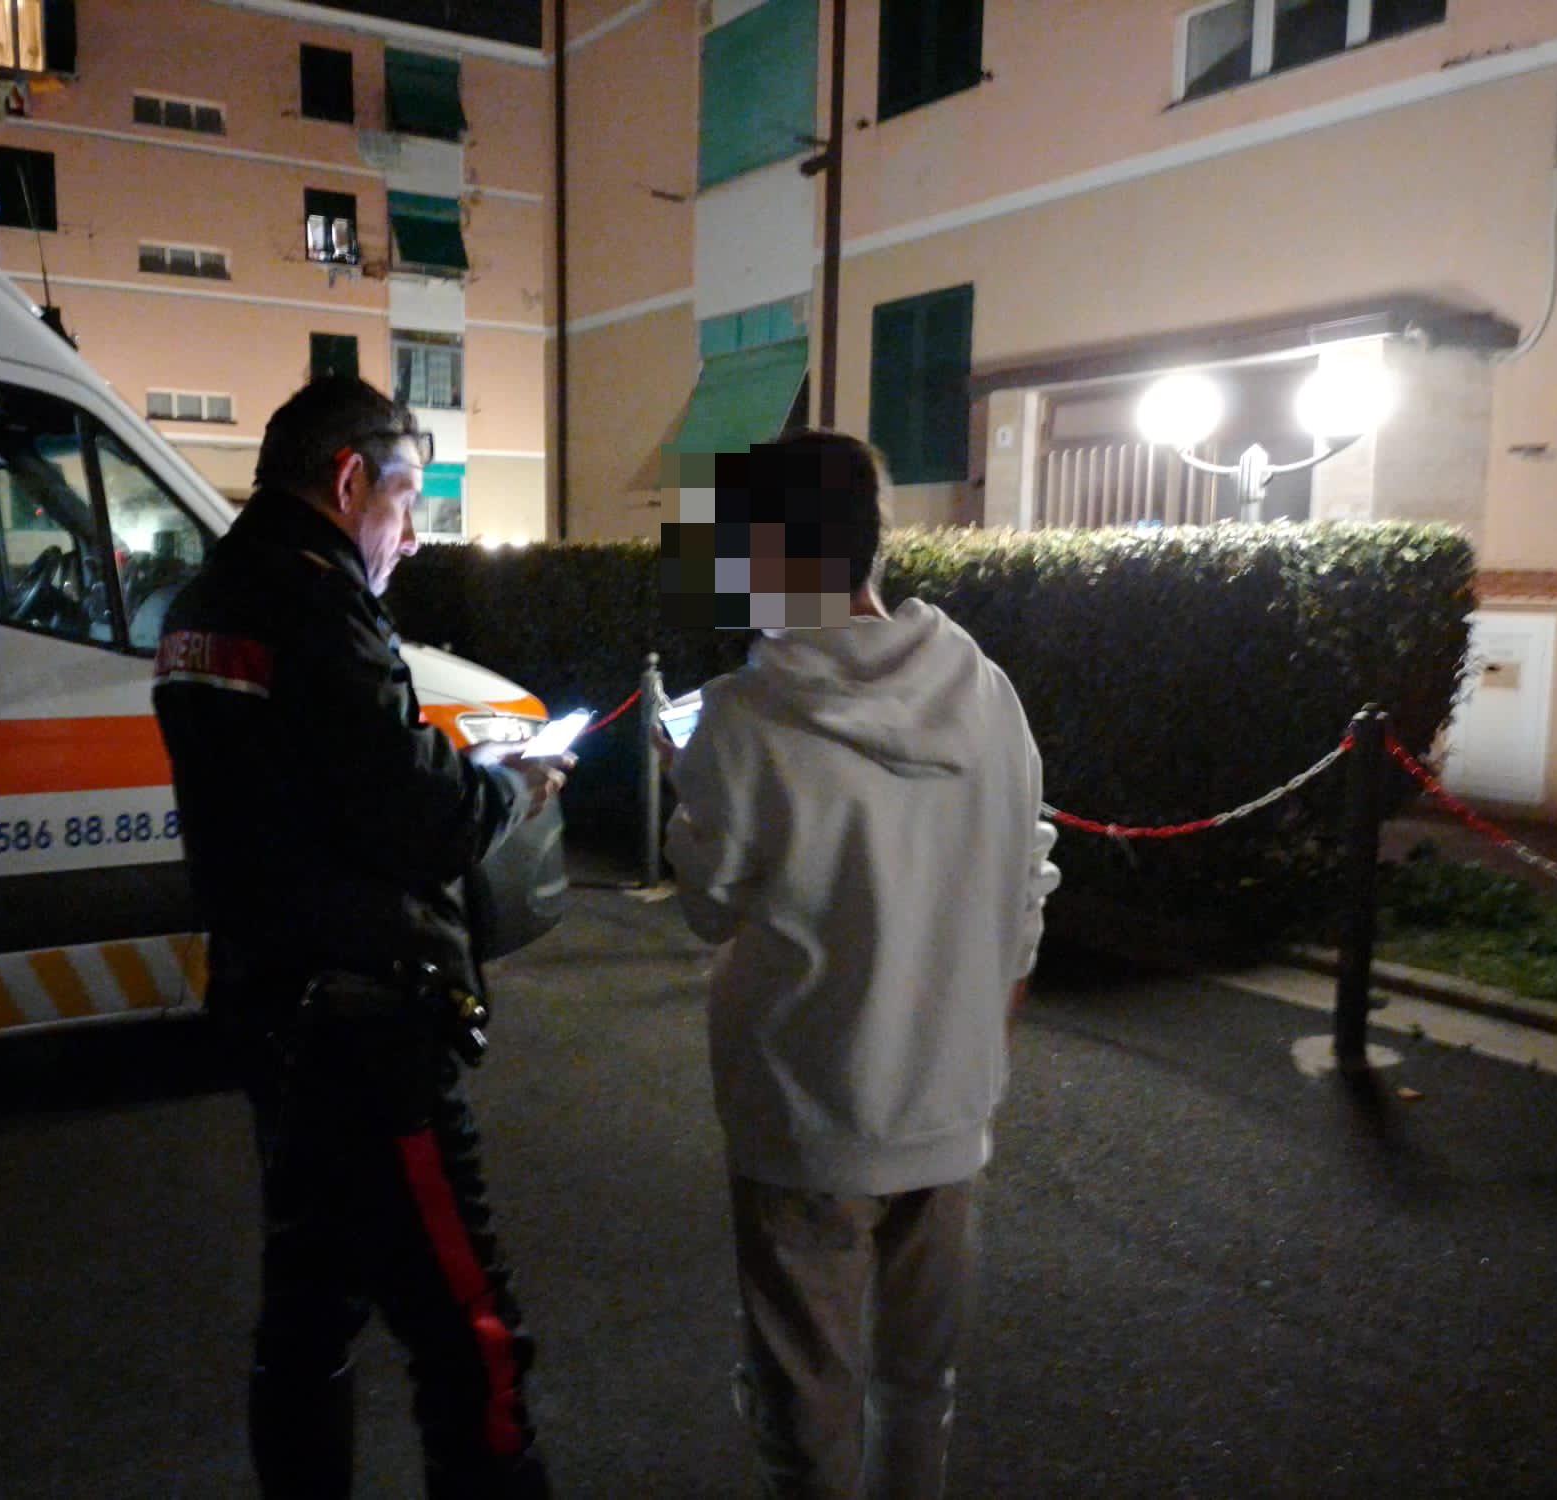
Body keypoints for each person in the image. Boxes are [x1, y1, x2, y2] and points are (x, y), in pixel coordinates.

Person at [152, 376, 567, 1499]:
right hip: (367, 1029)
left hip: (269, 1003)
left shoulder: (205, 599)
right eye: (406, 500)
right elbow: (415, 814)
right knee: (468, 1329)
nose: (414, 534)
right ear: (348, 481)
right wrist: (507, 787)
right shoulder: (314, 604)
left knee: (308, 1309)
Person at [661, 430, 1061, 1500]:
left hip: (806, 1122)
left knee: (807, 1422)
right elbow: (1028, 887)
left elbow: (706, 907)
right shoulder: (986, 696)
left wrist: (679, 790)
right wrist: (972, 1046)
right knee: (916, 1390)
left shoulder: (744, 720)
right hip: (948, 1116)